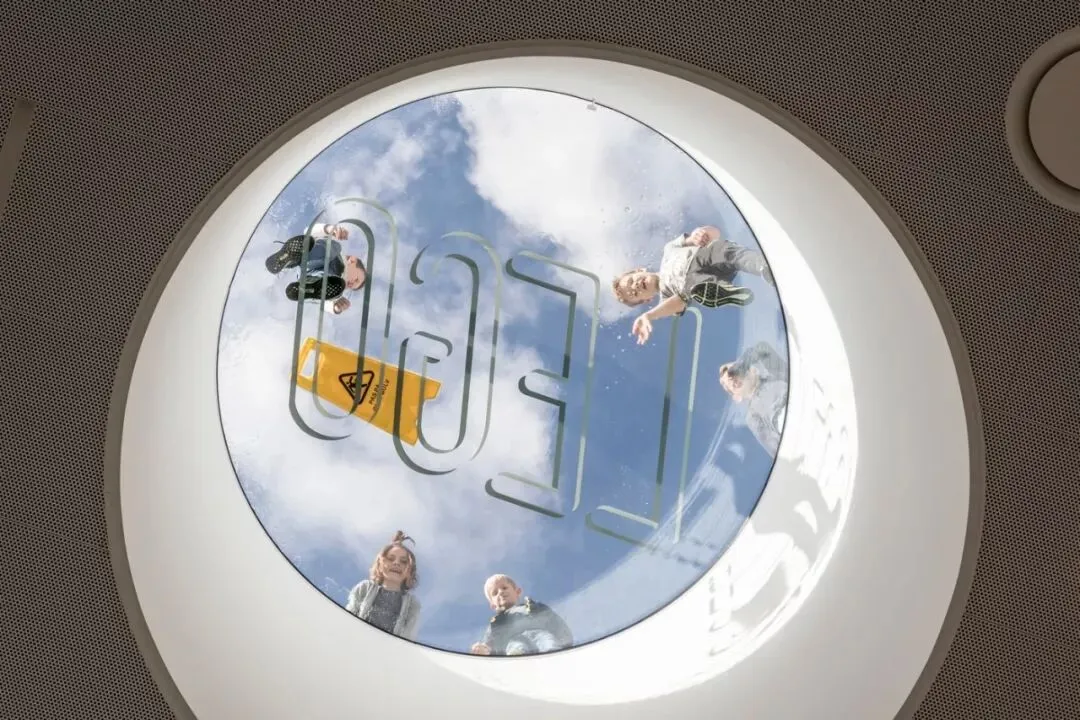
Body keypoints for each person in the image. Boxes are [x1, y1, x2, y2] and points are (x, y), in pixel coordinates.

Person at [611, 225, 775, 345]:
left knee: (726, 252)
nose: (635, 287)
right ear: (647, 300)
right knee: (689, 290)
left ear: (639, 270)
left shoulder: (669, 250)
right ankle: (722, 292)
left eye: (631, 281)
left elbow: (713, 233)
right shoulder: (665, 299)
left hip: (703, 255)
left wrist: (700, 234)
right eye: (634, 294)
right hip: (696, 282)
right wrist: (649, 316)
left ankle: (762, 266)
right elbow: (679, 303)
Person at [264, 222, 367, 314]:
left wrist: (335, 307)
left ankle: (308, 283)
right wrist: (328, 229)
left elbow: (324, 304)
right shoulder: (339, 252)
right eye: (356, 280)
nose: (351, 284)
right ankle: (296, 257)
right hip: (317, 256)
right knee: (333, 246)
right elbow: (308, 231)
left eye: (352, 287)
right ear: (353, 260)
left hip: (310, 273)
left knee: (329, 286)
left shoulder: (337, 286)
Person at [469, 574, 572, 656]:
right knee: (516, 646)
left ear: (517, 592)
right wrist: (483, 650)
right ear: (493, 605)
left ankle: (554, 657)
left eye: (504, 588)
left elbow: (555, 621)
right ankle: (517, 662)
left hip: (541, 634)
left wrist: (566, 642)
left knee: (548, 642)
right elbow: (489, 643)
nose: (500, 592)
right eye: (495, 593)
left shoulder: (533, 607)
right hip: (513, 641)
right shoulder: (496, 623)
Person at [345, 531, 422, 640]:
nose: (396, 563)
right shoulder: (365, 588)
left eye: (404, 561)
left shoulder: (412, 605)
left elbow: (409, 637)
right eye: (391, 559)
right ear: (380, 565)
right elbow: (348, 618)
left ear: (410, 572)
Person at [719, 342, 789, 456]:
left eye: (736, 373)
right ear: (737, 397)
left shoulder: (777, 376)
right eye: (731, 385)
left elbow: (762, 349)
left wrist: (742, 364)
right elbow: (778, 451)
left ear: (753, 369)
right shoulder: (753, 417)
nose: (734, 381)